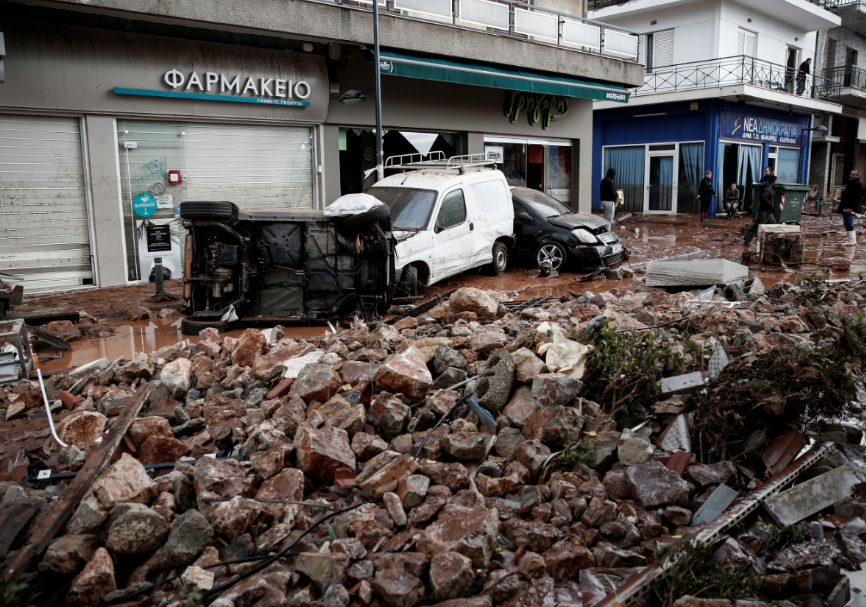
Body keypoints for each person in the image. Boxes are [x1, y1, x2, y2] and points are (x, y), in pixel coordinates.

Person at [745, 175, 778, 245]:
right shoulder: (768, 188)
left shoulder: (770, 187)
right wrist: (770, 204)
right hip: (764, 211)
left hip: (769, 212)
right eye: (777, 181)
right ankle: (747, 240)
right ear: (774, 182)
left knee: (774, 225)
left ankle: (772, 241)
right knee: (756, 226)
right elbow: (763, 197)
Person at [839, 169, 863, 246]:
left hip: (850, 207)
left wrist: (850, 208)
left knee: (848, 222)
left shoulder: (858, 184)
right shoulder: (852, 182)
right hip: (847, 206)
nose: (850, 175)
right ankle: (851, 240)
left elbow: (856, 198)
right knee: (848, 222)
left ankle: (851, 241)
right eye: (851, 174)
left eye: (853, 174)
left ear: (858, 176)